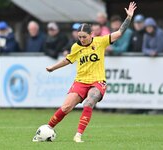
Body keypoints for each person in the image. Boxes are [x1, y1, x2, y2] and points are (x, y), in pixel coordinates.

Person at [32, 2, 137, 143]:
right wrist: (53, 68)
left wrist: (129, 17)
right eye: (79, 37)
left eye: (84, 37)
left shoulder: (101, 42)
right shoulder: (76, 47)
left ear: (91, 34)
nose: (81, 39)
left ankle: (78, 135)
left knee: (88, 102)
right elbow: (68, 60)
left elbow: (119, 33)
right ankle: (46, 129)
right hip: (80, 81)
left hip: (97, 81)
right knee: (66, 107)